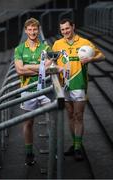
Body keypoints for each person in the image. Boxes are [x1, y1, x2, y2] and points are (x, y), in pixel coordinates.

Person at [52, 18, 105, 161]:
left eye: (67, 28)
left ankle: (77, 147)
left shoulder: (84, 43)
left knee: (78, 116)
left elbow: (102, 56)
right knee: (70, 115)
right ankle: (75, 144)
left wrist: (91, 59)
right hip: (64, 85)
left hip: (79, 84)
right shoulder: (57, 44)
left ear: (73, 27)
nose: (65, 32)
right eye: (62, 29)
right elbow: (52, 61)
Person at [14, 18, 51, 166]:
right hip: (28, 90)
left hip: (46, 89)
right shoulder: (19, 49)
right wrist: (39, 67)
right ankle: (29, 153)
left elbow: (48, 67)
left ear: (38, 30)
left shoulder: (46, 48)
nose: (32, 32)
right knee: (28, 123)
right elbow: (19, 70)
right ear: (25, 31)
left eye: (35, 29)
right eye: (29, 29)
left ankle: (54, 151)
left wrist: (29, 67)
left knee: (53, 120)